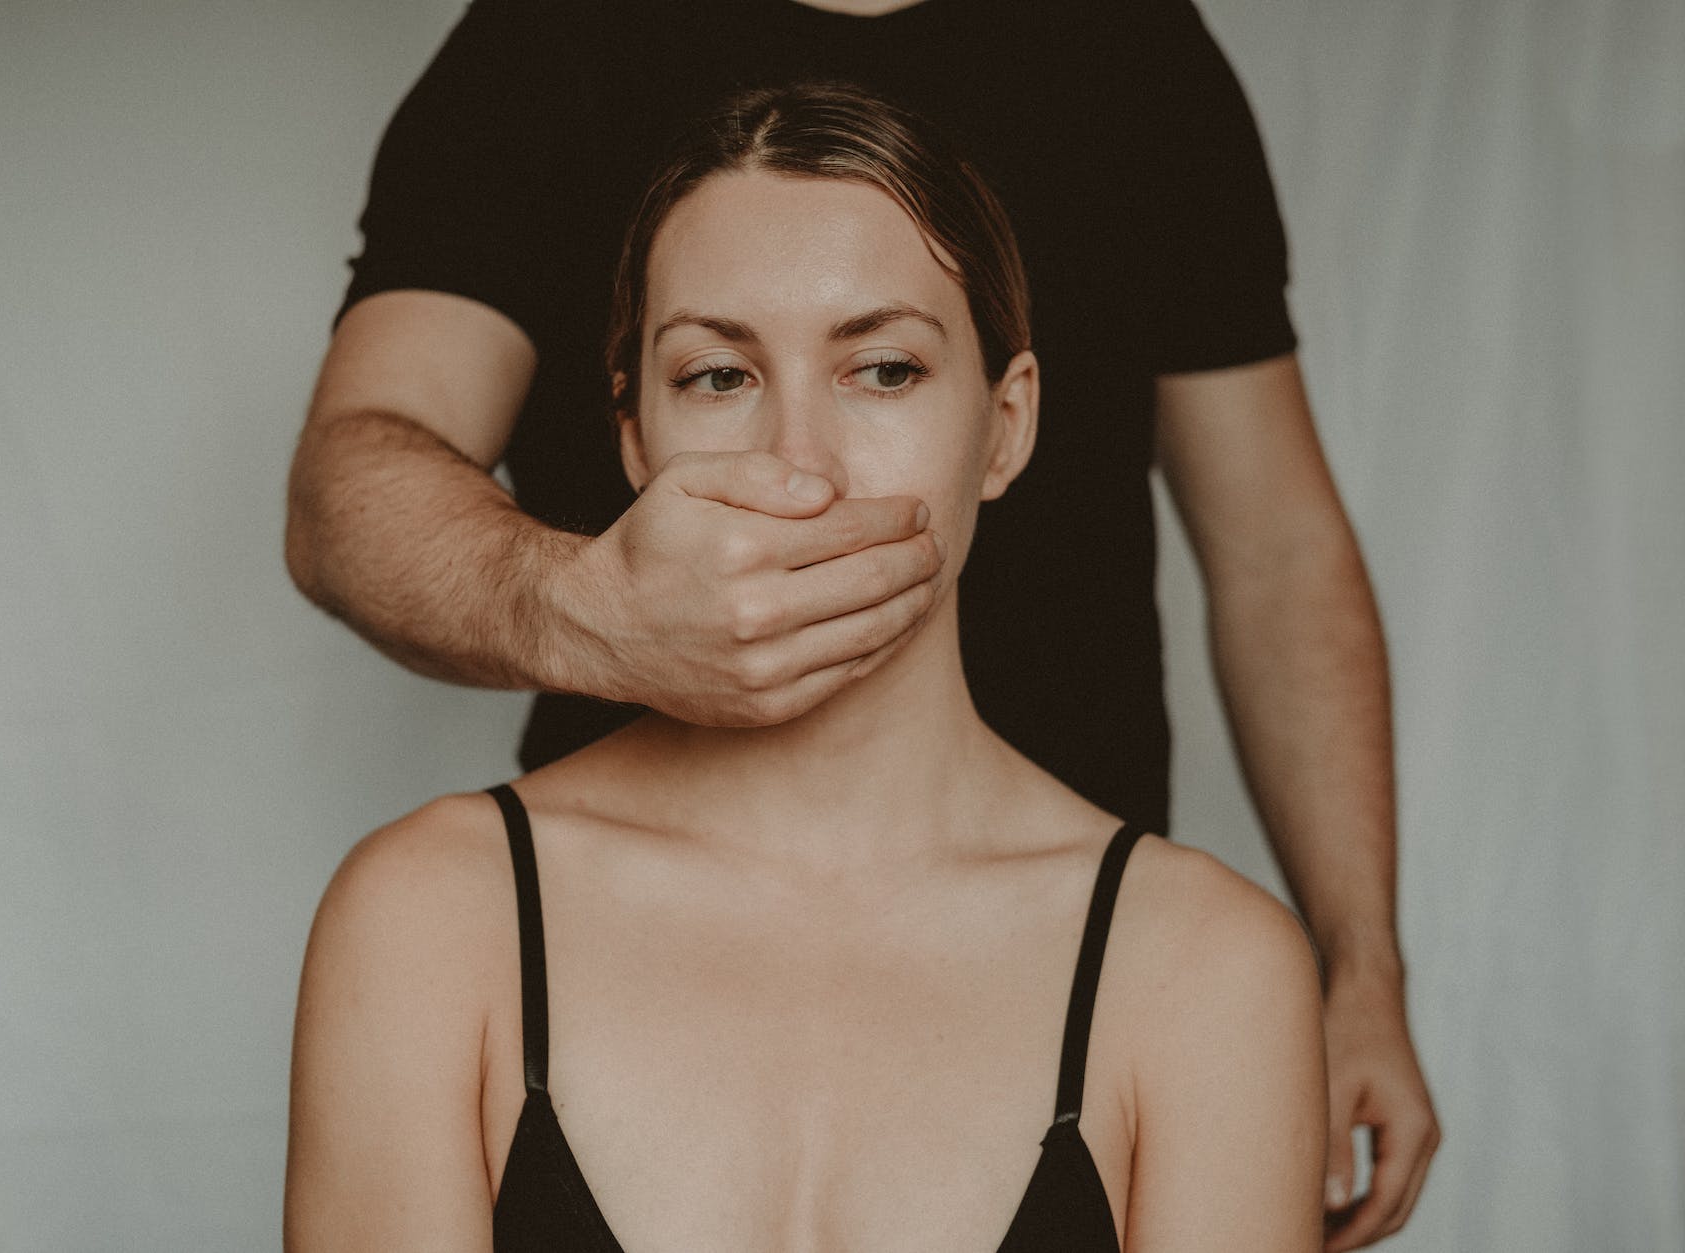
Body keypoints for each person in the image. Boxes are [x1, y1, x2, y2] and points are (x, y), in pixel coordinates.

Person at [284, 1, 1438, 1245]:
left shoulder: (1203, 974)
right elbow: (356, 472)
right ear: (631, 428)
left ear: (1007, 422)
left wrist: (1356, 960)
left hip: (1082, 958)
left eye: (882, 368)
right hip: (579, 919)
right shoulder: (433, 926)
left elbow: (1274, 542)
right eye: (716, 374)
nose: (799, 464)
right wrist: (597, 608)